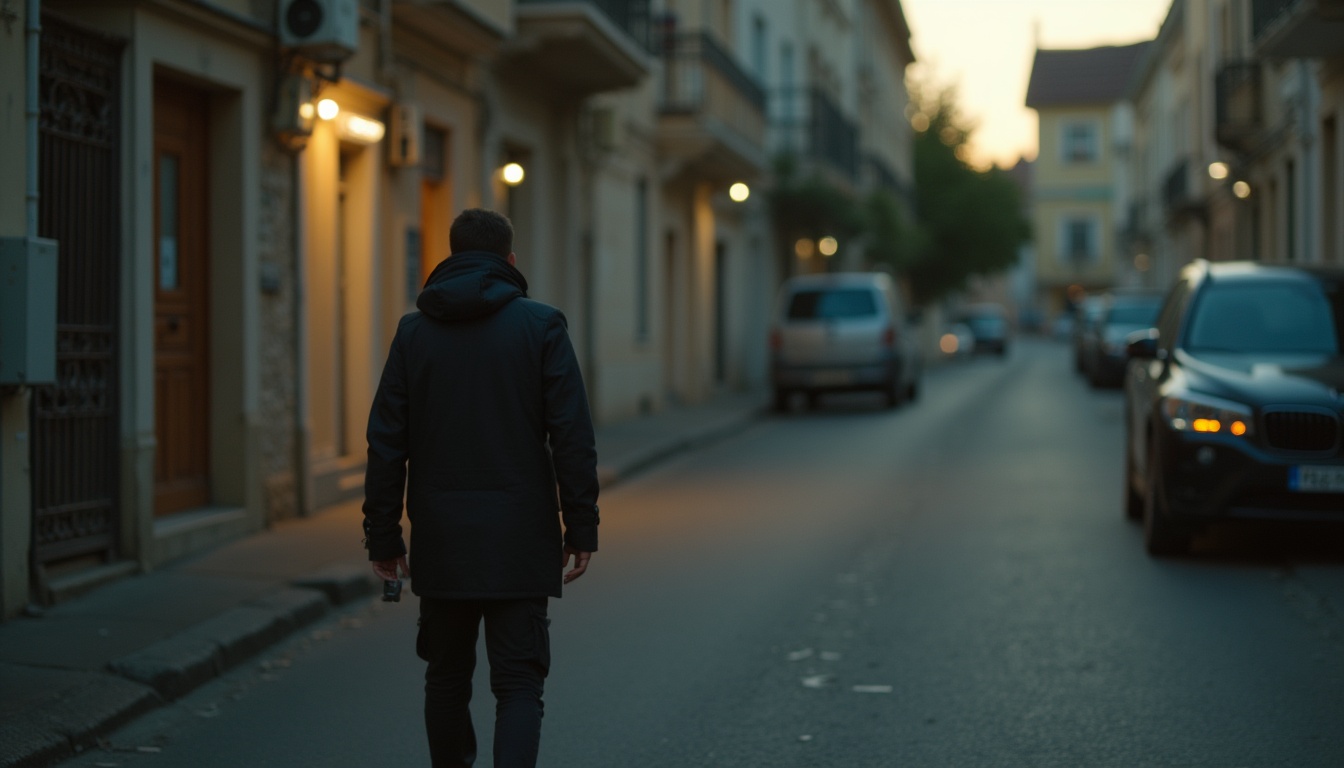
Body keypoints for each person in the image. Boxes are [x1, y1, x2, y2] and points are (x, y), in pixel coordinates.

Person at [361, 208, 599, 768]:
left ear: (450, 255)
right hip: (519, 538)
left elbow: (386, 441)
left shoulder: (414, 332)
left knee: (445, 679)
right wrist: (580, 524)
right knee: (518, 684)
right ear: (510, 260)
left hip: (443, 540)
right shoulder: (541, 326)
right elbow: (572, 435)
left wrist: (384, 538)